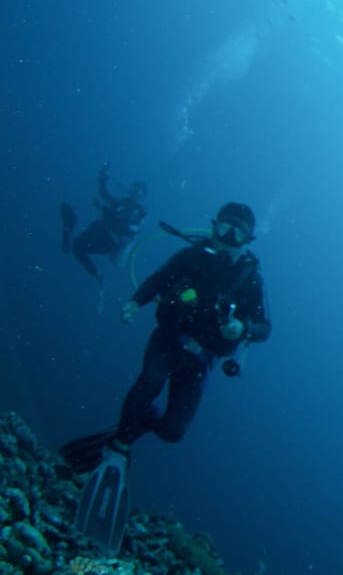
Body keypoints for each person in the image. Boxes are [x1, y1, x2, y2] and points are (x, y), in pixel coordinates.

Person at [60, 202, 271, 553]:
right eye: (224, 228)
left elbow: (265, 326)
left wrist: (242, 326)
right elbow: (158, 281)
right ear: (214, 227)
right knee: (148, 384)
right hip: (169, 339)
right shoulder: (190, 257)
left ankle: (131, 427)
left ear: (248, 239)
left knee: (174, 430)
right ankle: (118, 450)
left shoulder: (250, 279)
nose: (229, 238)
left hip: (202, 359)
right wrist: (134, 303)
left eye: (238, 232)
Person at [61, 163, 148, 285]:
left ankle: (97, 274)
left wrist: (102, 208)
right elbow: (103, 193)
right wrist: (103, 177)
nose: (135, 192)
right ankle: (95, 273)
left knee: (77, 247)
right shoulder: (121, 201)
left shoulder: (139, 212)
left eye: (139, 191)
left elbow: (122, 228)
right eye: (134, 188)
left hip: (110, 242)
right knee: (76, 246)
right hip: (100, 231)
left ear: (143, 195)